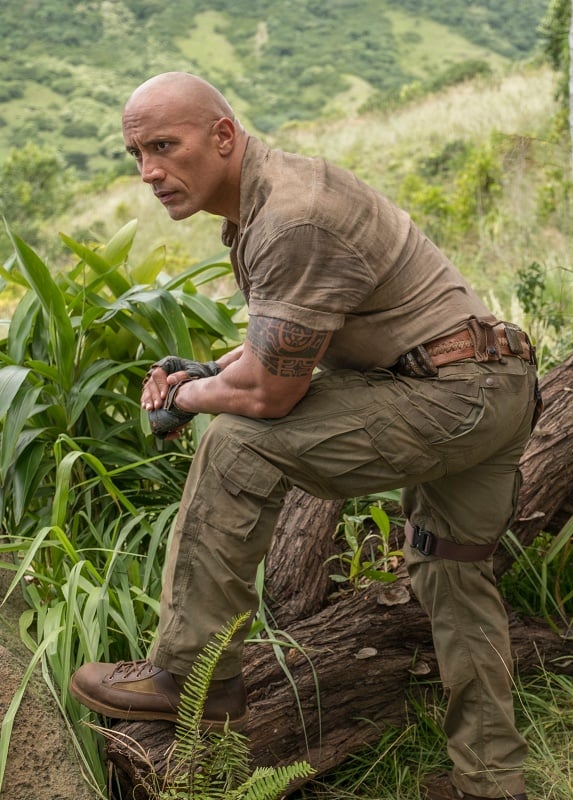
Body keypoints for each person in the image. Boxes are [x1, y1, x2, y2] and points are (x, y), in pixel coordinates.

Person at [67, 72, 538, 800]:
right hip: (490, 383)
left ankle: (193, 677)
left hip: (451, 399)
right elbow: (285, 342)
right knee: (451, 570)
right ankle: (494, 778)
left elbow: (268, 391)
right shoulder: (269, 197)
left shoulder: (291, 217)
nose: (149, 172)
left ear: (222, 135)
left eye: (164, 145)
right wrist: (206, 369)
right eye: (135, 154)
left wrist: (187, 398)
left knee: (238, 442)